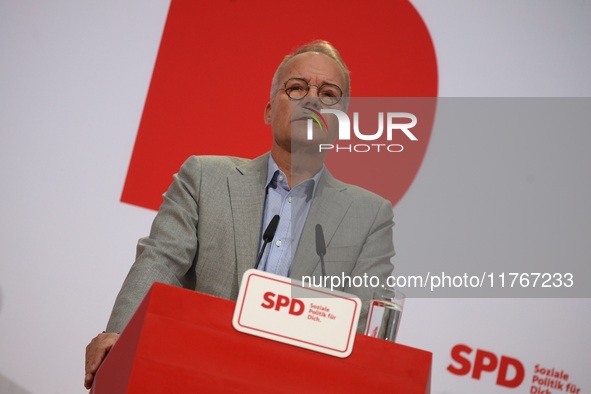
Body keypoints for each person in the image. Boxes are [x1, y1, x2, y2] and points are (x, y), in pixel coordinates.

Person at [84, 40, 395, 389]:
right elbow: (160, 264)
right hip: (192, 375)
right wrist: (121, 338)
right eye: (296, 88)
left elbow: (367, 325)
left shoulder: (370, 215)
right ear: (267, 110)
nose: (311, 99)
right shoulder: (204, 178)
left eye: (328, 94)